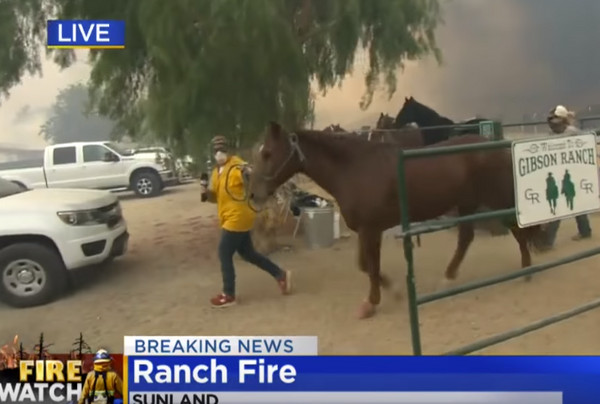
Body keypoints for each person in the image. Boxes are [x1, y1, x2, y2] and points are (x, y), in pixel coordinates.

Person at [201, 135, 292, 307]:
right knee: (248, 254)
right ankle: (280, 275)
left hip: (238, 217)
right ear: (212, 152)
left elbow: (251, 175)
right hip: (229, 216)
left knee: (224, 252)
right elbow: (217, 198)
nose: (219, 153)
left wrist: (250, 174)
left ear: (228, 150)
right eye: (216, 150)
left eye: (222, 150)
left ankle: (229, 295)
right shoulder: (215, 172)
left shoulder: (237, 165)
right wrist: (206, 193)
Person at [540, 105, 592, 250]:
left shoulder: (573, 133)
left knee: (563, 205)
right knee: (572, 202)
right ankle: (585, 231)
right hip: (561, 172)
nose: (553, 123)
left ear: (562, 120)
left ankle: (548, 242)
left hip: (572, 172)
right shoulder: (552, 134)